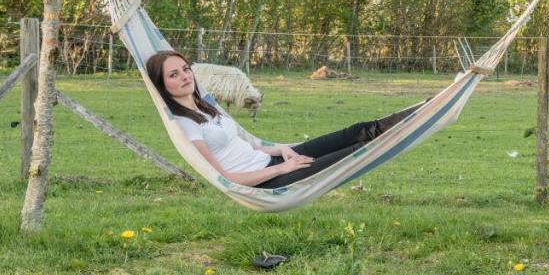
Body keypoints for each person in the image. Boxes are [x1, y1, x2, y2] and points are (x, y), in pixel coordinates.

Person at [144, 50, 417, 189]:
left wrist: (281, 150)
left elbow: (247, 145)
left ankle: (424, 111)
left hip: (272, 160)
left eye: (185, 69)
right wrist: (282, 169)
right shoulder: (186, 125)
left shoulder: (207, 105)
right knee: (359, 152)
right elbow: (226, 178)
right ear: (162, 85)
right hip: (267, 181)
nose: (185, 77)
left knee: (358, 131)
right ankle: (416, 125)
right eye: (174, 75)